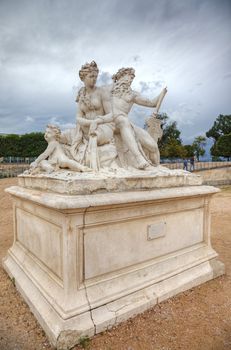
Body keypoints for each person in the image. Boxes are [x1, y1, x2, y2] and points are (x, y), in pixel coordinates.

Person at [111, 67, 167, 169]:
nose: (131, 80)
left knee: (153, 146)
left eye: (133, 78)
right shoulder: (107, 90)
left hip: (125, 122)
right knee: (123, 121)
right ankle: (138, 159)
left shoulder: (132, 94)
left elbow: (152, 103)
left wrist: (162, 93)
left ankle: (156, 167)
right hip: (110, 122)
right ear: (121, 76)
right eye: (129, 77)